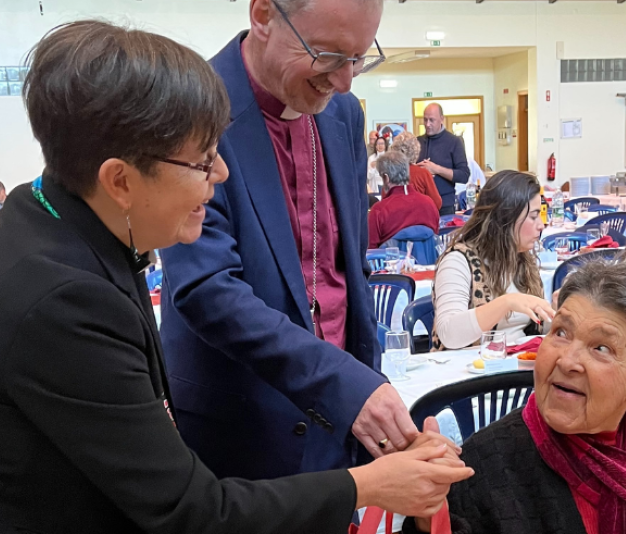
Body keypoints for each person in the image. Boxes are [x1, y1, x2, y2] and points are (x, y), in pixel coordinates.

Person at [0, 20, 474, 534]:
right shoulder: (65, 300)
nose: (221, 175)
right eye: (203, 162)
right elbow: (190, 511)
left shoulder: (59, 217)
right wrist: (370, 485)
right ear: (120, 181)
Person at [160, 0, 420, 482]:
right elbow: (206, 289)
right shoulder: (191, 104)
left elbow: (346, 262)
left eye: (360, 57)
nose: (345, 81)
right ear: (262, 16)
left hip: (344, 416)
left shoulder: (341, 112)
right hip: (245, 426)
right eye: (329, 55)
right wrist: (341, 383)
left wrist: (363, 376)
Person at [406, 261, 626, 534]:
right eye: (560, 332)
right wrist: (429, 518)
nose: (567, 360)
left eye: (601, 347)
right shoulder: (485, 465)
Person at [431, 170, 555, 350]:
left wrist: (558, 315)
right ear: (507, 217)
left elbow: (538, 330)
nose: (541, 225)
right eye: (533, 216)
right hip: (471, 370)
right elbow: (449, 334)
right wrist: (506, 302)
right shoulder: (459, 261)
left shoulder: (522, 259)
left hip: (517, 365)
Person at [368, 151, 439, 249]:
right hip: (428, 263)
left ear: (386, 178)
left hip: (391, 263)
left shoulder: (379, 211)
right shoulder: (429, 203)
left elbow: (370, 252)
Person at [417, 103, 470, 215]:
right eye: (425, 120)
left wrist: (436, 169)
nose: (427, 124)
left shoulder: (454, 142)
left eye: (432, 120)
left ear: (441, 119)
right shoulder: (418, 142)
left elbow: (464, 175)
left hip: (444, 206)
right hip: (420, 205)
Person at [389, 130, 442, 210]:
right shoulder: (423, 173)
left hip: (397, 220)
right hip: (420, 219)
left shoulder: (390, 175)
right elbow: (437, 203)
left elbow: (385, 201)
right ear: (415, 151)